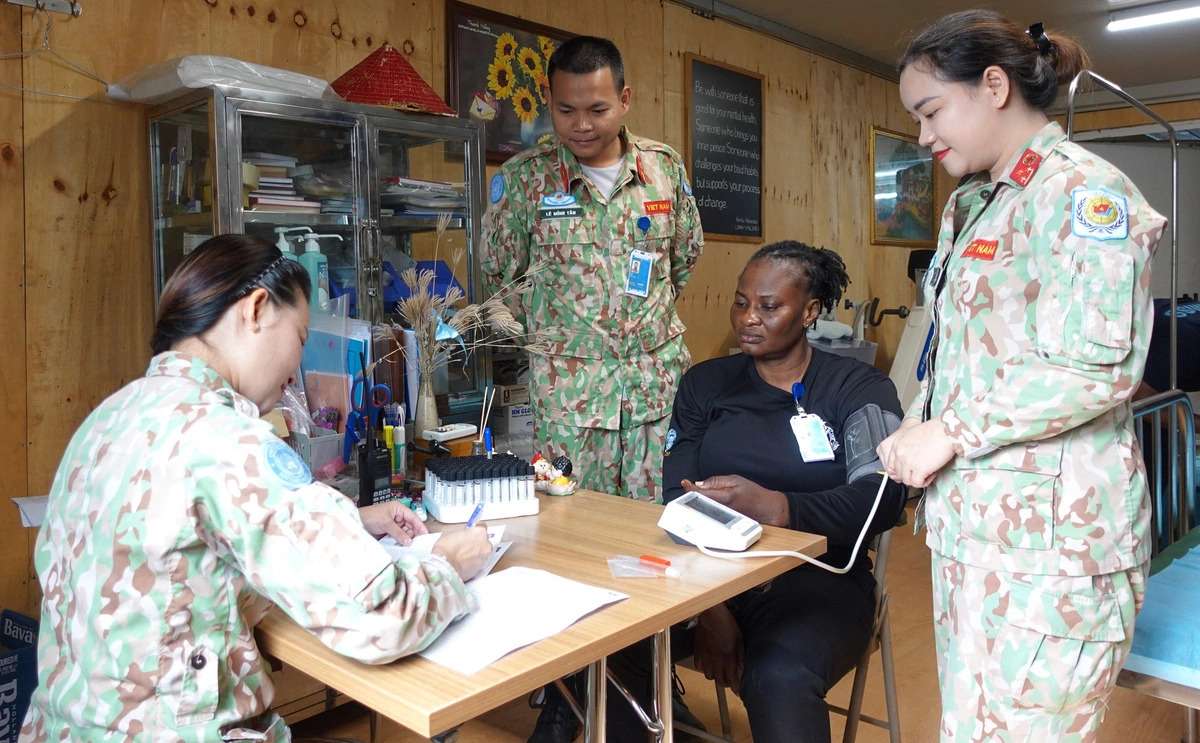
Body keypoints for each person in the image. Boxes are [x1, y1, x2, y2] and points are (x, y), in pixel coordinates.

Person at [19, 235, 494, 742]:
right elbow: (380, 619)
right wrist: (448, 565)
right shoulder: (228, 438)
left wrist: (350, 518)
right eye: (301, 336)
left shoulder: (107, 419)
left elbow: (176, 549)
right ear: (257, 309)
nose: (296, 371)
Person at [877, 11, 1167, 742]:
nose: (921, 135)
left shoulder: (1082, 196)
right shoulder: (975, 203)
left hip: (1056, 550)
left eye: (931, 110)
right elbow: (967, 348)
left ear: (994, 86)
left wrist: (952, 428)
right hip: (977, 529)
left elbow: (1098, 367)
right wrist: (921, 414)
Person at [581, 241, 908, 742]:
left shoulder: (856, 388)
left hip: (820, 581)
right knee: (609, 640)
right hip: (704, 579)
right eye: (740, 302)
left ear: (810, 311)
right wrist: (712, 609)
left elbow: (881, 499)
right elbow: (679, 500)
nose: (748, 318)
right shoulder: (706, 384)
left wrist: (776, 506)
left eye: (770, 306)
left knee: (777, 675)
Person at [481, 35, 704, 503]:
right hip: (570, 403)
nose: (581, 125)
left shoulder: (663, 170)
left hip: (655, 396)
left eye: (597, 110)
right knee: (573, 530)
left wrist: (630, 325)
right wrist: (568, 337)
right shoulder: (525, 181)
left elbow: (681, 261)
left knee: (660, 525)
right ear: (549, 102)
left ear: (624, 101)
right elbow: (503, 277)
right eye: (566, 111)